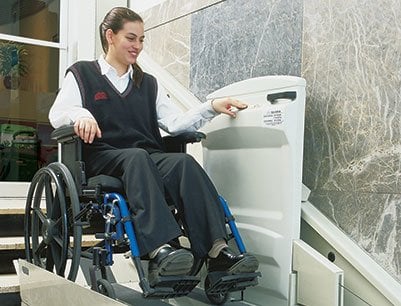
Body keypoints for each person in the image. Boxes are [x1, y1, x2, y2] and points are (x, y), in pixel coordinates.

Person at [49, 7, 258, 285]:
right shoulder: (83, 74)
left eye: (142, 40)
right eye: (131, 38)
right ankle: (160, 249)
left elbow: (174, 123)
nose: (138, 46)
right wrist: (81, 115)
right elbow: (57, 113)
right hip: (103, 155)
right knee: (137, 157)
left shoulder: (147, 83)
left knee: (182, 163)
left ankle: (217, 251)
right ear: (110, 36)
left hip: (144, 157)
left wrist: (211, 108)